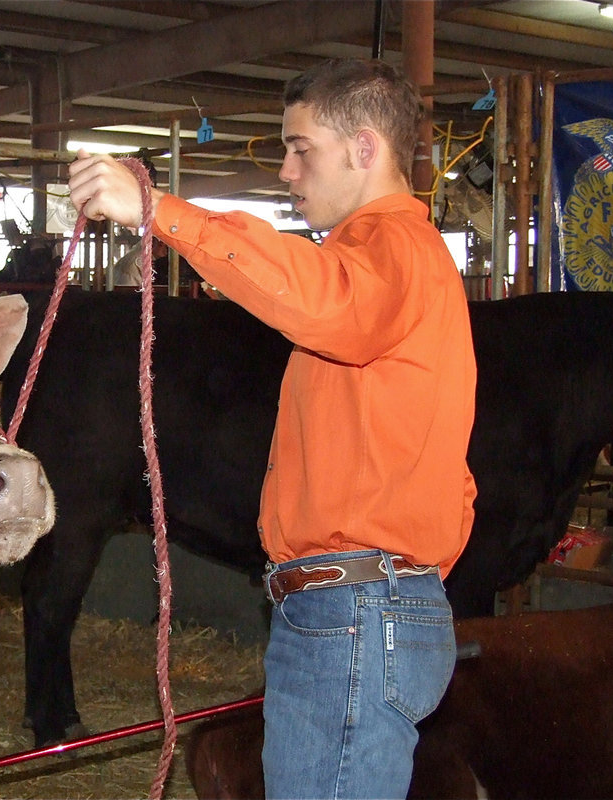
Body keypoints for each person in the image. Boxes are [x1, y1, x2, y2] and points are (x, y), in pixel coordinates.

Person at [68, 57, 477, 800]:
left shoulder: (388, 255)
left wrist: (159, 208)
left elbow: (319, 299)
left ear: (363, 147)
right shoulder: (408, 266)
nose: (288, 172)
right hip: (370, 602)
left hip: (355, 608)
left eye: (301, 148)